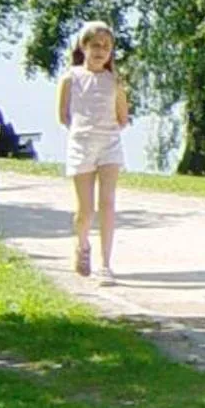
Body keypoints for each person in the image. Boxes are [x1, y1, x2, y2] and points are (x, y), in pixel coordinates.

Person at [56, 20, 131, 283]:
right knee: (85, 209)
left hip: (109, 145)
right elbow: (63, 115)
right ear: (83, 46)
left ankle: (106, 264)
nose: (101, 51)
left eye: (106, 47)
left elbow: (123, 117)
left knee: (107, 203)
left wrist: (106, 129)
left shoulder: (115, 81)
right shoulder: (70, 78)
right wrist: (82, 131)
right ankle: (82, 244)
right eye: (95, 45)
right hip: (81, 145)